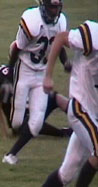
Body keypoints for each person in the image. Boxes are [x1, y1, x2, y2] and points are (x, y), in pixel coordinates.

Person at [2, 0, 69, 165]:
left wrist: (65, 62)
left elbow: (58, 44)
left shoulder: (60, 22)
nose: (55, 11)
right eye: (51, 7)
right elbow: (18, 47)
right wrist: (10, 71)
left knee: (36, 122)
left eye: (57, 7)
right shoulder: (31, 20)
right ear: (43, 6)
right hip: (24, 71)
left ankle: (11, 155)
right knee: (17, 123)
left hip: (41, 75)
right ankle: (51, 102)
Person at [42, 20, 98, 186]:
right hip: (81, 107)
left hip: (93, 114)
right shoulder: (93, 34)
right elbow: (60, 38)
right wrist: (48, 76)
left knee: (66, 174)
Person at [0, 63, 72, 140]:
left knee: (54, 98)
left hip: (30, 107)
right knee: (30, 122)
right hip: (20, 118)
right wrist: (4, 134)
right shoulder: (7, 81)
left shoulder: (28, 73)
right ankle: (63, 133)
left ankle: (77, 117)